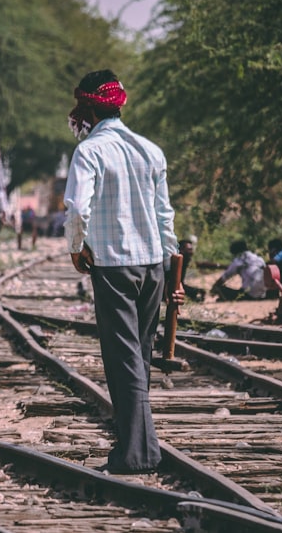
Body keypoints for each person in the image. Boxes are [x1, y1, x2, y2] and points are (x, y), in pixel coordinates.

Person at [63, 69, 184, 475]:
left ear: (88, 107)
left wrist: (77, 247)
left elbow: (78, 207)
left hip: (114, 265)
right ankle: (143, 448)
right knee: (141, 355)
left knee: (123, 358)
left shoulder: (90, 151)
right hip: (152, 264)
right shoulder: (151, 150)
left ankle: (136, 454)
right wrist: (171, 265)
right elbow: (164, 214)